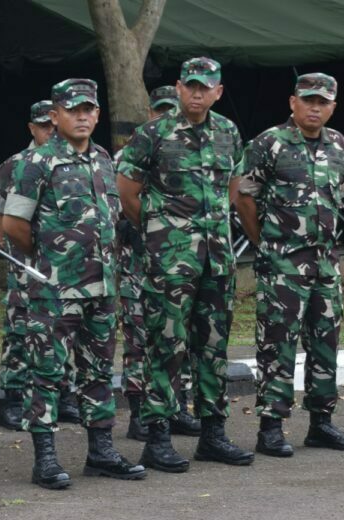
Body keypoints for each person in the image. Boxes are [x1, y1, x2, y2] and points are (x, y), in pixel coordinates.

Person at [4, 78, 146, 490]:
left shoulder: (103, 158)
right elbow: (14, 224)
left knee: (98, 371)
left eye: (88, 110)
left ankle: (100, 451)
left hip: (102, 288)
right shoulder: (37, 163)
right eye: (72, 110)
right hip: (54, 289)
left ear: (97, 114)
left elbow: (114, 216)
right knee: (46, 372)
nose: (81, 116)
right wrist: (50, 261)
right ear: (55, 115)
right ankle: (45, 458)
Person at [116, 57, 254, 473]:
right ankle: (156, 438)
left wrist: (209, 231)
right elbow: (128, 193)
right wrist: (163, 235)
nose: (197, 93)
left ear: (218, 92)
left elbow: (234, 185)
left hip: (216, 261)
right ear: (178, 88)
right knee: (166, 348)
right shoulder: (152, 135)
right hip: (170, 263)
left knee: (213, 348)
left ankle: (213, 434)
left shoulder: (228, 132)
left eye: (205, 87)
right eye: (190, 85)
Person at [234, 72, 344, 458]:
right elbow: (243, 198)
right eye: (308, 100)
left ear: (333, 107)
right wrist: (267, 245)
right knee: (277, 343)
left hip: (326, 264)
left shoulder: (339, 144)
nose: (315, 107)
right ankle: (270, 427)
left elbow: (338, 198)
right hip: (283, 265)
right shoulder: (269, 143)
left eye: (323, 102)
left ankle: (321, 423)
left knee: (325, 342)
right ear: (293, 102)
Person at [0, 100, 79, 431]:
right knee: (20, 327)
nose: (50, 132)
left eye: (53, 125)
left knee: (64, 326)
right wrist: (14, 250)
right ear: (32, 129)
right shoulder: (14, 166)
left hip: (65, 266)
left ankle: (63, 393)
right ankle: (13, 396)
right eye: (43, 127)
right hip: (26, 261)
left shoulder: (75, 162)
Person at [117, 84, 200, 442]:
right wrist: (150, 232)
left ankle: (175, 408)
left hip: (178, 263)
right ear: (150, 113)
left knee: (177, 339)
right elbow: (121, 206)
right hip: (138, 263)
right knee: (140, 339)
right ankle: (139, 413)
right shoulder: (132, 155)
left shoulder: (189, 154)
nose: (167, 116)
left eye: (172, 109)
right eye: (160, 109)